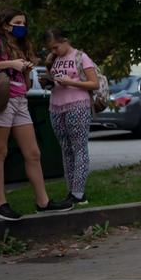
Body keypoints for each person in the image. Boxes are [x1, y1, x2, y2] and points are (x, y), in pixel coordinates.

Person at [0, 8, 73, 221]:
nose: (21, 27)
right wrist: (10, 63)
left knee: (33, 153)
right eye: (17, 22)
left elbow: (24, 86)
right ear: (6, 24)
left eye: (24, 23)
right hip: (0, 101)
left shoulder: (21, 45)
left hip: (19, 101)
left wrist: (25, 70)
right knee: (0, 151)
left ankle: (43, 202)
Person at [43, 27, 99, 205]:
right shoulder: (54, 59)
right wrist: (47, 79)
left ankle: (78, 193)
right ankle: (71, 191)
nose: (53, 51)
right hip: (56, 106)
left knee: (79, 148)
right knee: (65, 148)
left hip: (78, 105)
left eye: (56, 47)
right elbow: (54, 79)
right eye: (50, 48)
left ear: (65, 40)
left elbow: (94, 83)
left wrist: (69, 82)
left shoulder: (80, 57)